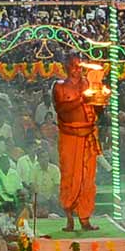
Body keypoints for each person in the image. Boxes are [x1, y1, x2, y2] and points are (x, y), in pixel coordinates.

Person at [53, 56, 103, 232]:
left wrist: (100, 98)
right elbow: (61, 110)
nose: (77, 69)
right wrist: (82, 99)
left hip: (88, 135)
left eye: (79, 66)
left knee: (88, 179)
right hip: (70, 137)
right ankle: (69, 217)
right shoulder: (59, 86)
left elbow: (98, 110)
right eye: (73, 66)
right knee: (69, 176)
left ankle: (85, 218)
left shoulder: (89, 84)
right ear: (65, 67)